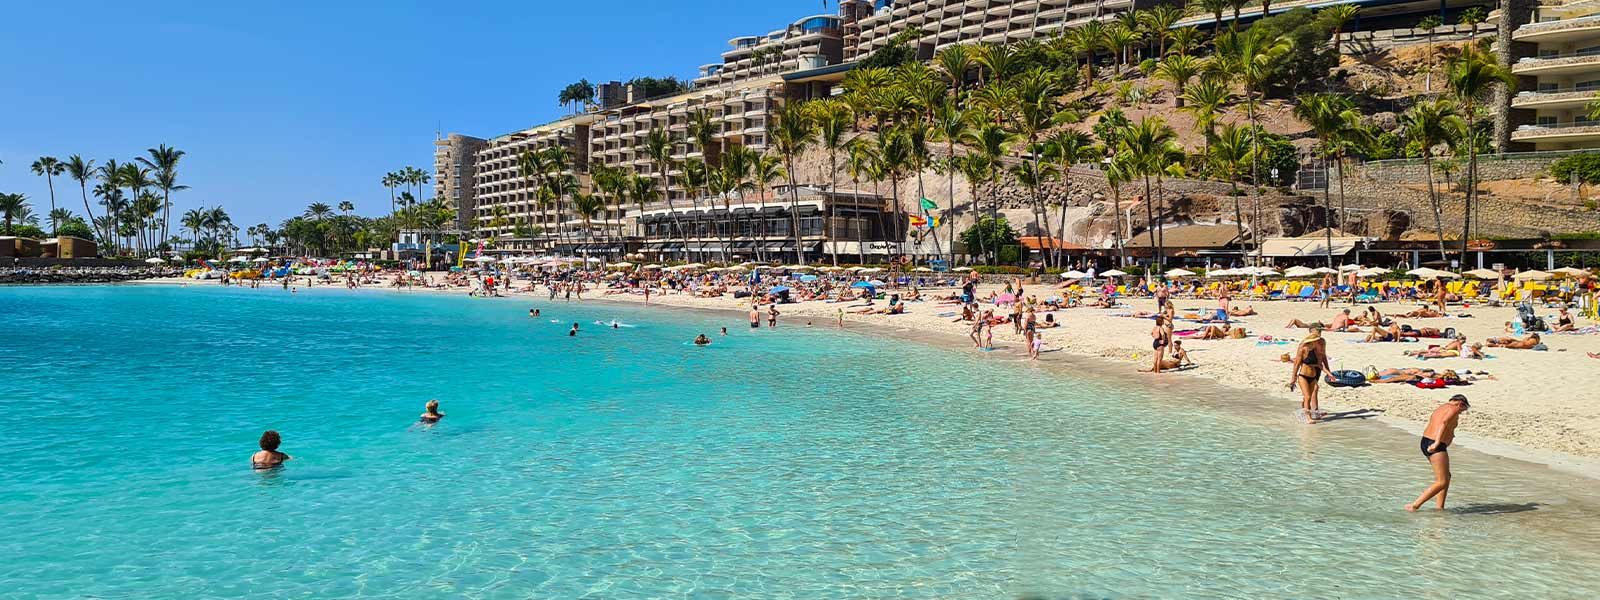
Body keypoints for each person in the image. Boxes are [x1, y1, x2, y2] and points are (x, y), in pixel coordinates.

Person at [1407, 395, 1469, 512]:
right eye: (1462, 410)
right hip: (1435, 444)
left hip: (1425, 441)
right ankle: (1414, 506)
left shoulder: (1442, 407)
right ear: (1460, 403)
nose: (1460, 413)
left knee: (1446, 477)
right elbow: (1444, 423)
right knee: (1442, 481)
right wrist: (1437, 443)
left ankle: (1439, 508)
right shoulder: (1453, 408)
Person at [1289, 327, 1331, 424]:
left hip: (1314, 373)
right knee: (1308, 396)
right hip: (1303, 375)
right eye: (1317, 335)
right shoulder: (1303, 348)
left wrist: (1329, 372)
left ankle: (1311, 412)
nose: (1319, 339)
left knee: (1310, 394)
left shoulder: (1320, 345)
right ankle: (1308, 416)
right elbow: (1297, 364)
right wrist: (1293, 378)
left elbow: (1321, 361)